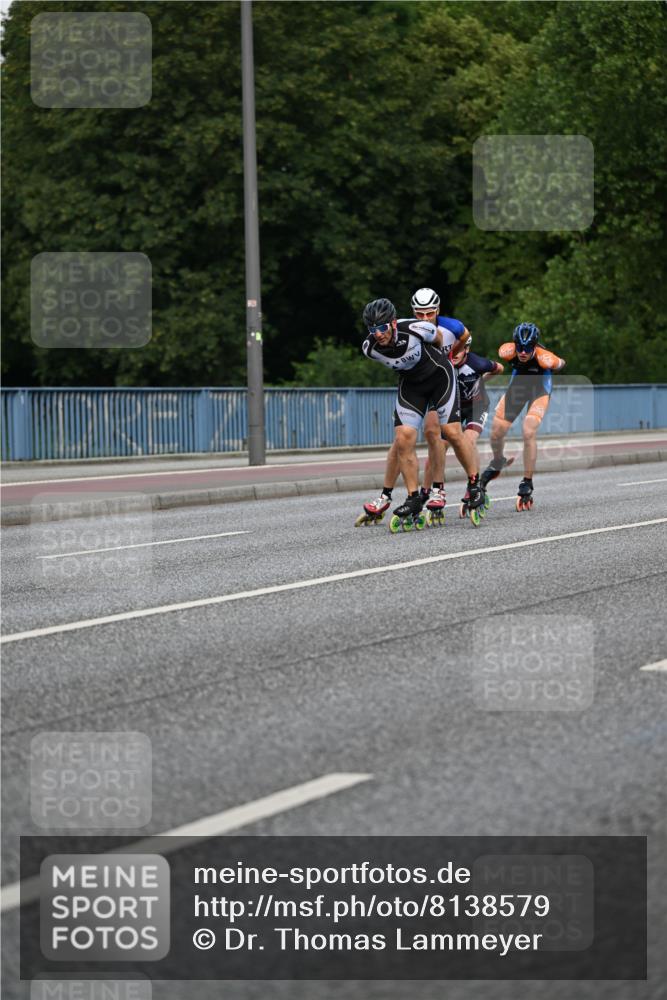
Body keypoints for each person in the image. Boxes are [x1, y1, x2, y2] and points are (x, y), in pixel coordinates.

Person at [359, 297, 484, 527]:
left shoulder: (417, 328)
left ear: (393, 323)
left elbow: (439, 341)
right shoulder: (370, 348)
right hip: (411, 386)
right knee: (403, 438)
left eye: (382, 327)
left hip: (440, 377)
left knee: (451, 432)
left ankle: (475, 485)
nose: (378, 334)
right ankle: (413, 498)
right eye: (372, 329)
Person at [480, 322, 566, 509]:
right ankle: (498, 461)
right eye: (520, 347)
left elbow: (562, 362)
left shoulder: (544, 357)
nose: (523, 352)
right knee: (496, 432)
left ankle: (527, 481)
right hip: (518, 389)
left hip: (540, 391)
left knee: (528, 431)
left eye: (528, 348)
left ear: (535, 345)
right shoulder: (507, 351)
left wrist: (556, 363)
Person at [424, 335, 504, 515]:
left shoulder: (477, 363)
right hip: (454, 409)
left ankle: (473, 486)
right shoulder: (442, 364)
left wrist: (483, 379)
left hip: (477, 406)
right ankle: (433, 491)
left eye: (458, 351)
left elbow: (500, 367)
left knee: (468, 440)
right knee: (439, 445)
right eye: (450, 351)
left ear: (466, 349)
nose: (454, 354)